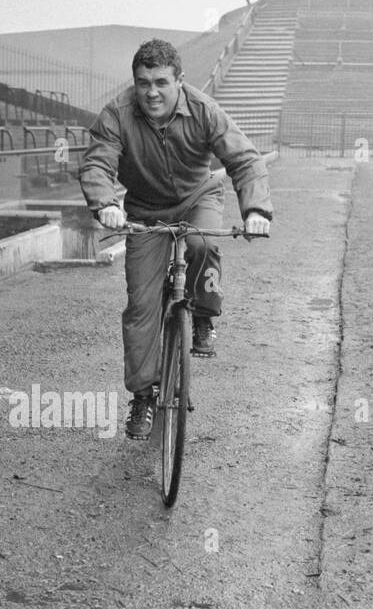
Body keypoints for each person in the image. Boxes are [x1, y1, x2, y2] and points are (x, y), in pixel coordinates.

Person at [79, 38, 273, 439]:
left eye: (161, 82)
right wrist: (105, 204)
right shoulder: (117, 113)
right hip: (146, 210)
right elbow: (97, 162)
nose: (151, 92)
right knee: (141, 306)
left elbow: (244, 159)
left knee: (202, 245)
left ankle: (203, 314)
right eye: (143, 82)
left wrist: (255, 211)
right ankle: (144, 396)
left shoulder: (203, 109)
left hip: (197, 196)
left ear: (179, 82)